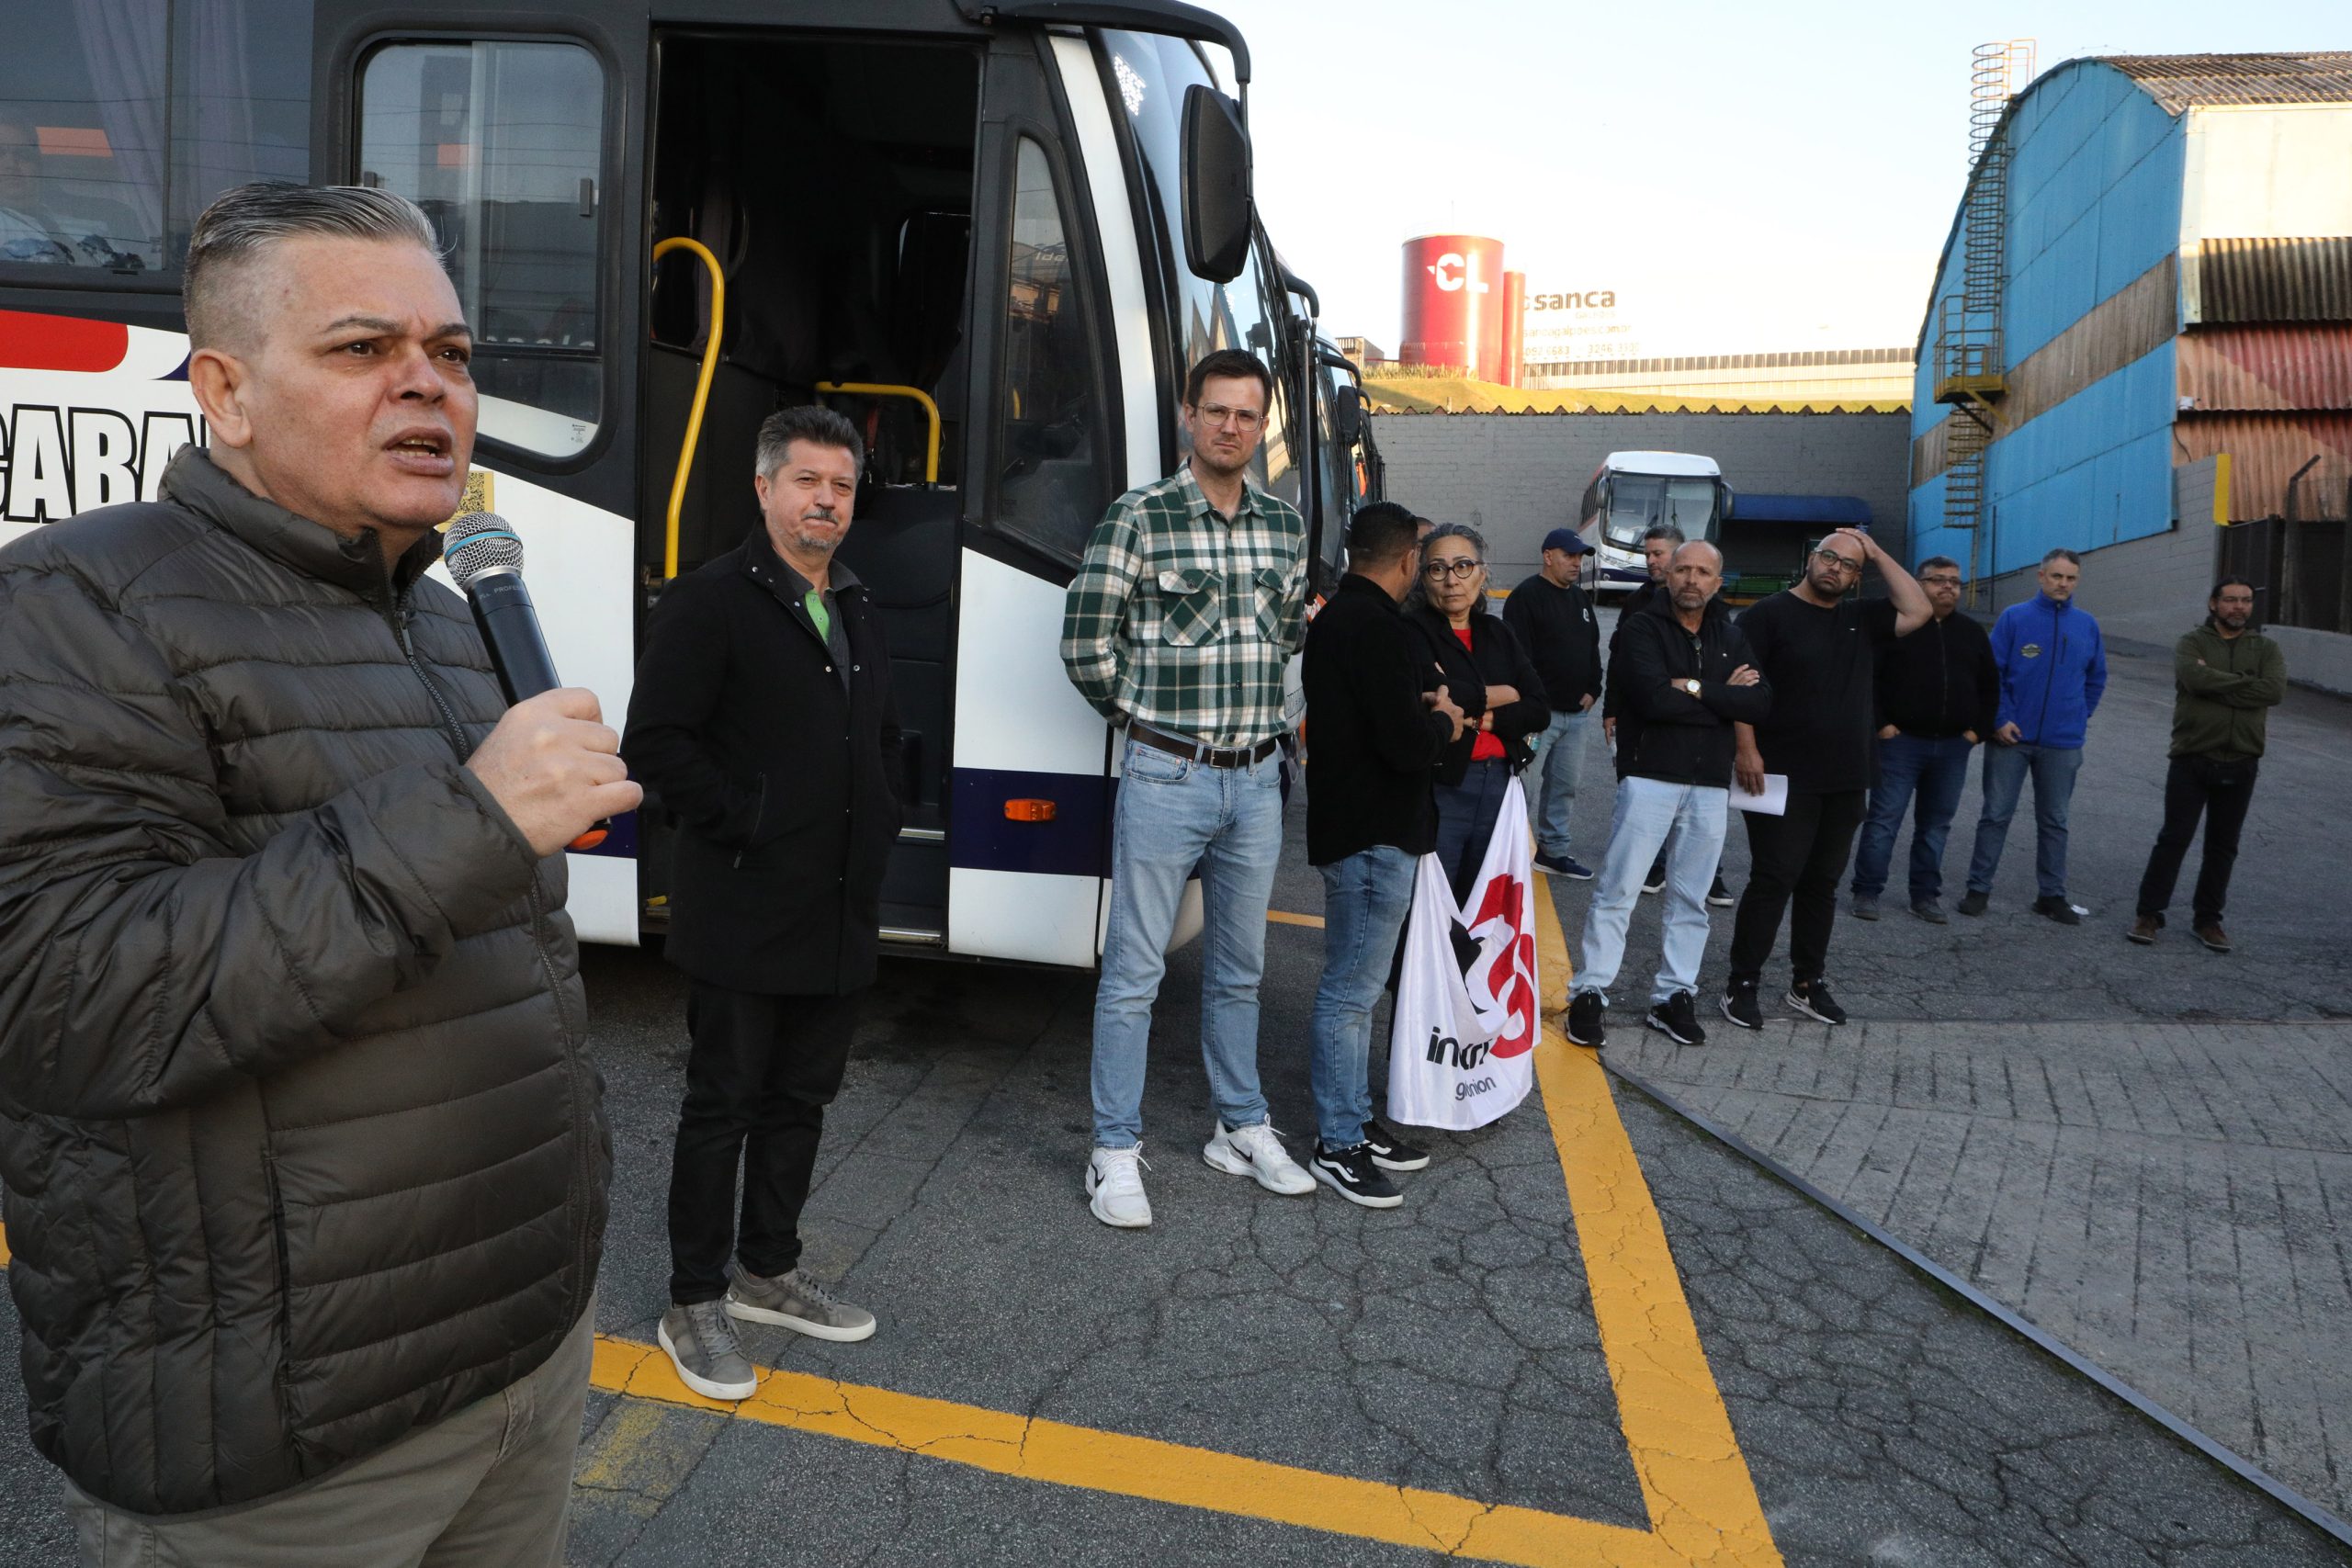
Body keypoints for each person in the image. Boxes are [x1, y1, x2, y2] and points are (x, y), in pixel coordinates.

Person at [0, 182, 635, 1563]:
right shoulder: (74, 603)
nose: (427, 385)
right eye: (362, 349)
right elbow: (69, 997)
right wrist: (469, 818)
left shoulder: (460, 616)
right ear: (223, 389)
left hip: (522, 1365)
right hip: (288, 1451)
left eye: (452, 354)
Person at [624, 405, 899, 1397]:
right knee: (722, 1106)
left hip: (835, 909)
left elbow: (876, 736)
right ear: (764, 489)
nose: (826, 500)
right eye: (807, 482)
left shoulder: (857, 601)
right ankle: (692, 1299)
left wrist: (879, 812)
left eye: (841, 485)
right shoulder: (708, 603)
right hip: (741, 905)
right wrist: (749, 818)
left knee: (800, 1103)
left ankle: (767, 1274)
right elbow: (654, 744)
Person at [1060, 348, 1315, 1227]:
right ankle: (1113, 1148)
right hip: (1168, 773)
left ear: (1260, 425)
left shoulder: (1285, 527)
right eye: (1217, 411)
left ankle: (1239, 1126)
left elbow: (1285, 646)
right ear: (1188, 414)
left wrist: (1281, 742)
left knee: (1240, 971)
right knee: (1134, 971)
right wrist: (1145, 720)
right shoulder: (1139, 516)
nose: (1231, 427)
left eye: (1247, 415)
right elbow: (1085, 642)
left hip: (1256, 785)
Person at [1302, 502, 1464, 1207]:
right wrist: (1444, 719)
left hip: (1358, 828)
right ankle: (1337, 1142)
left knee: (1357, 987)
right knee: (1350, 991)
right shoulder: (1376, 628)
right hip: (1373, 834)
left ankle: (1354, 1123)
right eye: (1423, 560)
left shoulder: (1341, 616)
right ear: (1405, 559)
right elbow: (1405, 742)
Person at [1722, 528, 1929, 1030]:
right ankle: (1742, 983)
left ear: (1858, 578)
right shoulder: (1767, 615)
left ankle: (1806, 983)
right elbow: (1741, 687)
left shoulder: (1862, 618)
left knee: (1822, 884)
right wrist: (1746, 750)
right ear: (1811, 559)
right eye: (1829, 557)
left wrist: (1878, 551)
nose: (1835, 568)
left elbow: (1919, 610)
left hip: (1846, 776)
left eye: (1849, 565)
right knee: (1774, 879)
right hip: (1780, 776)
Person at [1566, 541, 1770, 1050]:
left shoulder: (1731, 634)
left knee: (1691, 899)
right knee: (1619, 889)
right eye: (1683, 569)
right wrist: (1724, 694)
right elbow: (1654, 700)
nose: (1691, 579)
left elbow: (1761, 702)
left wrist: (1696, 688)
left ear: (1718, 582)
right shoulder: (1641, 628)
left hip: (1708, 785)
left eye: (1704, 571)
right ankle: (1589, 992)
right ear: (1668, 576)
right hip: (1650, 776)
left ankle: (1673, 995)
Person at [2129, 579, 2285, 953]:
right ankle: (2149, 915)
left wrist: (2221, 682)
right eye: (2230, 600)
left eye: (2246, 601)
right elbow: (2194, 678)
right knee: (2173, 840)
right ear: (2214, 603)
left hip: (2242, 761)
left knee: (2223, 846)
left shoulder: (2265, 648)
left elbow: (2274, 691)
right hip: (2192, 759)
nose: (2239, 607)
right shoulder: (2192, 643)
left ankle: (2208, 920)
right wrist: (2247, 682)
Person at [1848, 555, 1999, 923]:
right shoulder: (1900, 626)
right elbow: (1869, 678)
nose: (1948, 587)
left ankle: (1925, 896)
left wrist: (1976, 732)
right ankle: (1867, 891)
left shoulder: (1972, 632)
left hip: (1952, 748)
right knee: (1884, 820)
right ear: (1919, 584)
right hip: (1901, 744)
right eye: (1938, 580)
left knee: (1935, 827)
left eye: (1955, 582)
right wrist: (1881, 725)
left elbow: (1990, 686)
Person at [1961, 548, 2108, 922]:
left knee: (2055, 820)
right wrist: (2001, 719)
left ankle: (2052, 895)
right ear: (2041, 577)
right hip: (2011, 739)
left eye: (2071, 578)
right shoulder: (2014, 618)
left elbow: (2095, 678)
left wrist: (2078, 715)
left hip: (2062, 744)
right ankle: (1978, 889)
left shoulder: (2087, 624)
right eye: (2057, 576)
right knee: (1995, 815)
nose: (2063, 584)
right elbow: (1992, 673)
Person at [1408, 522, 1550, 901]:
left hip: (1501, 787)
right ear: (1424, 579)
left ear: (1482, 574)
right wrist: (1506, 692)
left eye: (1463, 566)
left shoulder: (1498, 633)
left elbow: (1538, 708)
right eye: (1438, 568)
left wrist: (1479, 716)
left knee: (1482, 906)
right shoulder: (1412, 630)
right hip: (1444, 787)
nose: (1452, 580)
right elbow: (1432, 690)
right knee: (1432, 906)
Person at [1601, 522, 1730, 906]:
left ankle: (1713, 877)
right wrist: (1613, 708)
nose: (1651, 561)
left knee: (1700, 822)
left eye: (1659, 554)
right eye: (1649, 555)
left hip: (1704, 756)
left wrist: (1690, 688)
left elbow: (1745, 694)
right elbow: (1633, 676)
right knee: (1622, 876)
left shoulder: (1718, 615)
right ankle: (1654, 867)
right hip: (1646, 745)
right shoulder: (1638, 608)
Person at [1505, 527, 1603, 879]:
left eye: (1579, 557)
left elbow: (1592, 648)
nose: (1576, 563)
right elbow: (1518, 657)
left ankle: (1553, 851)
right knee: (1521, 787)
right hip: (1538, 717)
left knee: (1565, 786)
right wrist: (1536, 702)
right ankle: (1507, 853)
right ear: (1548, 556)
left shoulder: (1580, 600)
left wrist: (1595, 687)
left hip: (1576, 717)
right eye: (1569, 556)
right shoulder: (1526, 597)